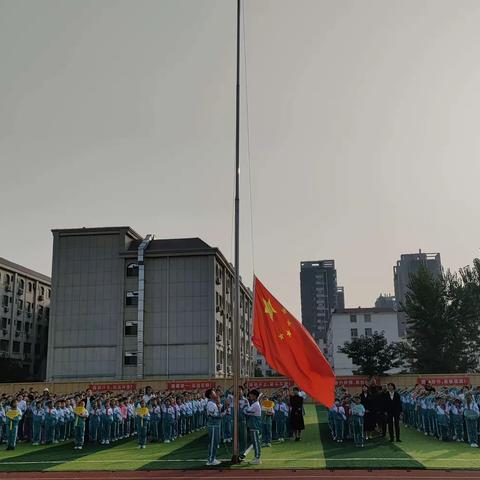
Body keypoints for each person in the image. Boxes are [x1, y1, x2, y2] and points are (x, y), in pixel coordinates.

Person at [242, 388, 262, 465]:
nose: (249, 397)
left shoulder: (255, 404)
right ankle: (256, 457)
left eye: (250, 395)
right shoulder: (254, 404)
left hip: (255, 426)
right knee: (255, 442)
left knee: (256, 443)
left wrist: (245, 405)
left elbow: (247, 411)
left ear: (254, 396)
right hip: (253, 426)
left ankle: (257, 458)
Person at [205, 388, 223, 466]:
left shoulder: (214, 403)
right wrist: (221, 414)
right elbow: (214, 415)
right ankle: (211, 459)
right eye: (213, 392)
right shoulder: (210, 404)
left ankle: (213, 457)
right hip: (213, 425)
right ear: (210, 395)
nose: (215, 393)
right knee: (213, 442)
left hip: (216, 425)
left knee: (215, 442)